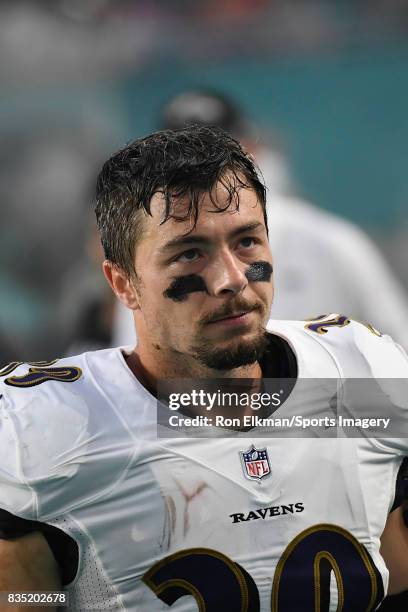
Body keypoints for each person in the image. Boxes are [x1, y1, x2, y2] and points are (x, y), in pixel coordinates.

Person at [0, 125, 408, 611]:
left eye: (247, 242)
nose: (232, 280)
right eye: (190, 252)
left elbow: (394, 577)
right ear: (123, 283)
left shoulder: (357, 374)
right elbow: (24, 598)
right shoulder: (47, 431)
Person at [111, 89, 408, 351]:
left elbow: (398, 347)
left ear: (252, 151)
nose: (201, 173)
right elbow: (139, 370)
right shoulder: (151, 260)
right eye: (184, 159)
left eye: (218, 156)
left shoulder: (330, 241)